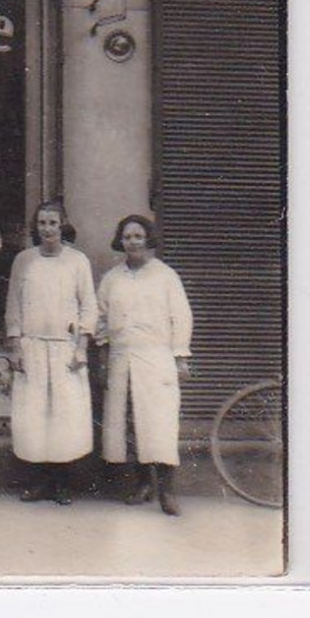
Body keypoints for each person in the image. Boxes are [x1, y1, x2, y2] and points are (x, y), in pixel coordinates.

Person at [96, 214, 194, 516]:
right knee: (131, 424)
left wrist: (180, 357)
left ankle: (167, 490)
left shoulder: (165, 276)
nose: (133, 242)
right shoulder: (112, 278)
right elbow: (101, 319)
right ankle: (142, 485)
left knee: (160, 423)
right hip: (122, 358)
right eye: (127, 237)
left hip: (156, 358)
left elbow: (182, 316)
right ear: (120, 241)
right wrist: (102, 355)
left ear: (148, 240)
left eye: (138, 236)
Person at [4, 199, 97, 505]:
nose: (47, 229)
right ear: (36, 227)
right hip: (32, 348)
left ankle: (63, 483)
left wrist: (82, 347)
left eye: (53, 223)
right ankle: (38, 481)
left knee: (65, 416)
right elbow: (13, 306)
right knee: (33, 417)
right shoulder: (23, 261)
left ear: (63, 225)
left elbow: (88, 306)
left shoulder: (77, 261)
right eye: (42, 223)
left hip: (64, 349)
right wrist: (15, 346)